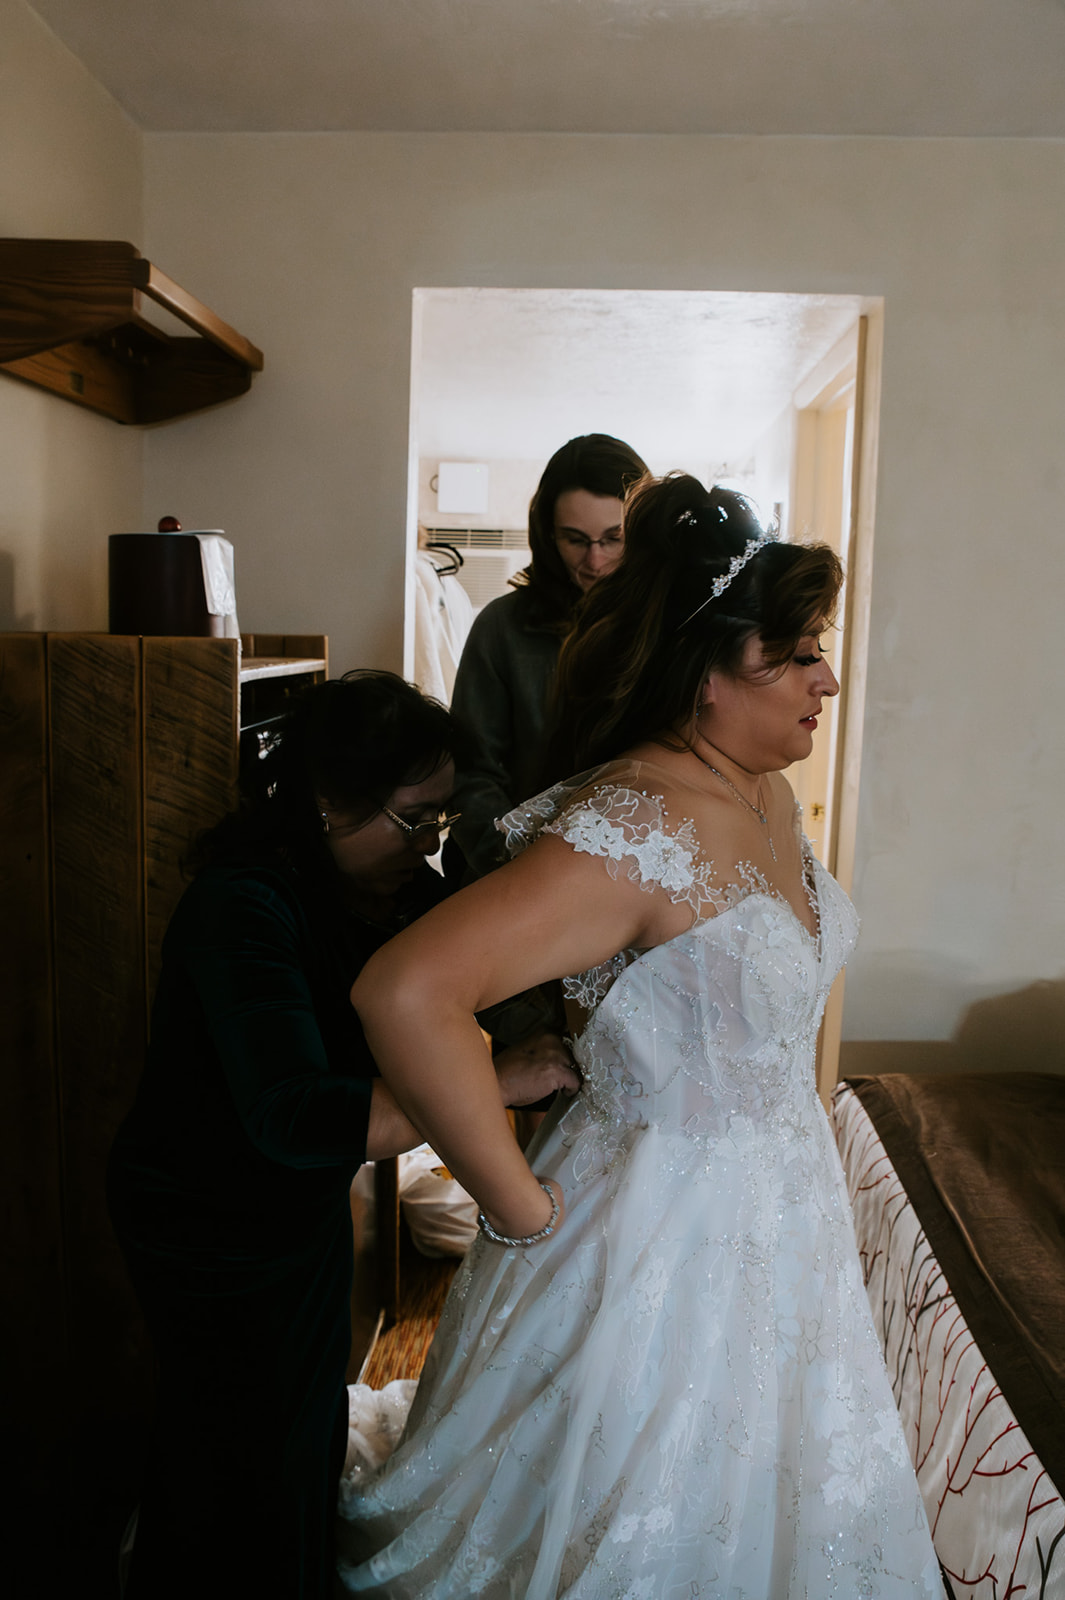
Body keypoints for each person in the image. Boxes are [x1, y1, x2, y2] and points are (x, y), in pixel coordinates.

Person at [336, 478, 944, 1597]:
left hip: (783, 1207)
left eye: (820, 648)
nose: (829, 678)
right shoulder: (632, 827)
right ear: (706, 676)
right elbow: (407, 990)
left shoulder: (767, 795)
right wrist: (510, 1198)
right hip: (654, 1228)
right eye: (798, 652)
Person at [106, 671, 578, 1600]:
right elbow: (294, 1115)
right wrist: (492, 1081)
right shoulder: (241, 906)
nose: (430, 845)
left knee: (299, 1425)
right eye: (415, 820)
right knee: (230, 1439)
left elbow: (494, 968)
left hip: (297, 1205)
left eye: (442, 820)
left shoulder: (390, 892)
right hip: (202, 1216)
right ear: (327, 803)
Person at [448, 431, 648, 880]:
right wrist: (521, 872)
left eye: (613, 539)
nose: (595, 562)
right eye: (575, 540)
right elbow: (472, 772)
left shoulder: (668, 627)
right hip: (510, 875)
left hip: (637, 879)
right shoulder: (502, 627)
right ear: (546, 535)